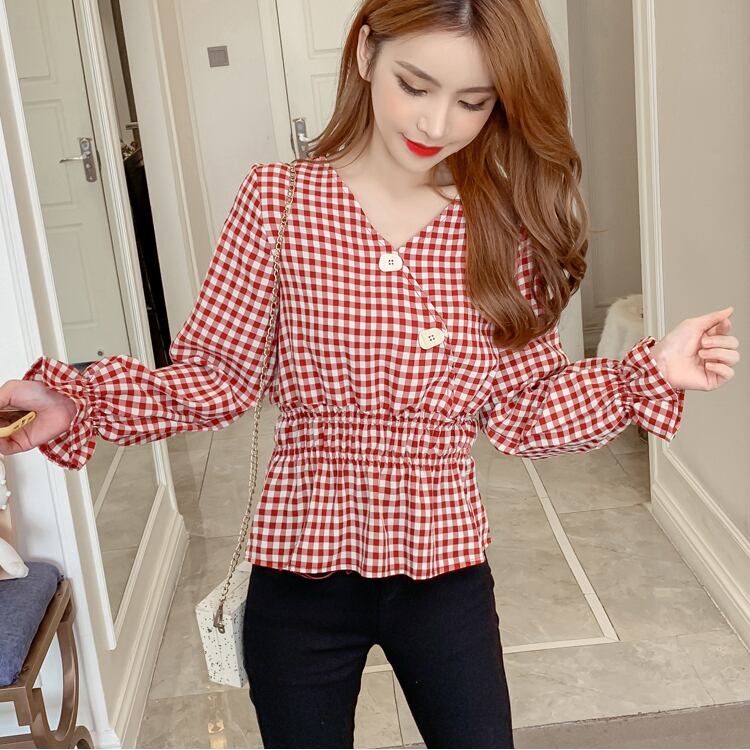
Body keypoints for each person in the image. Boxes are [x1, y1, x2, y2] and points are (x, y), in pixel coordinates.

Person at [0, 1, 740, 747]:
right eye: (414, 85)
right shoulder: (278, 202)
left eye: (473, 101)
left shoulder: (503, 226)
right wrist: (77, 400)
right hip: (299, 574)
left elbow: (526, 410)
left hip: (444, 573)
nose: (436, 124)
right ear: (364, 54)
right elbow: (218, 376)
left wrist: (650, 372)